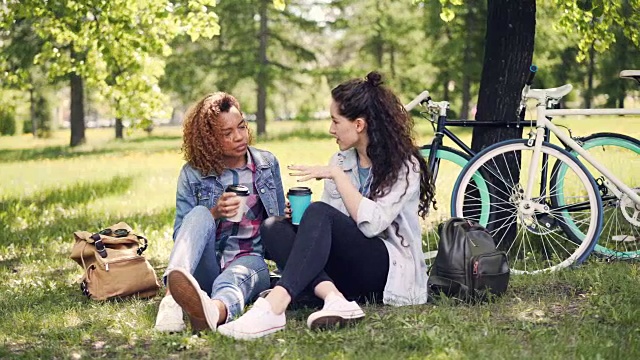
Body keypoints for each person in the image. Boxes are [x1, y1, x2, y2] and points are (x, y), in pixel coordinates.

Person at [217, 72, 435, 340]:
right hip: (347, 269)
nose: (331, 130)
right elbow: (330, 227)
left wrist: (337, 177)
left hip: (386, 271)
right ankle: (334, 298)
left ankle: (274, 306)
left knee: (317, 212)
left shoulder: (404, 166)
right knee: (274, 226)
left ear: (359, 124)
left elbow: (373, 225)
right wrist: (298, 222)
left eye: (335, 121)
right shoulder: (342, 160)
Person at [154, 92, 286, 333]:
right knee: (199, 214)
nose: (239, 137)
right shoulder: (192, 174)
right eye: (227, 133)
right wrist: (214, 213)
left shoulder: (267, 164)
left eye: (242, 127)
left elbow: (277, 225)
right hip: (207, 265)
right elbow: (181, 235)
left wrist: (287, 215)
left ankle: (214, 311)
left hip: (250, 262)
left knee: (235, 278)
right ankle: (171, 301)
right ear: (210, 139)